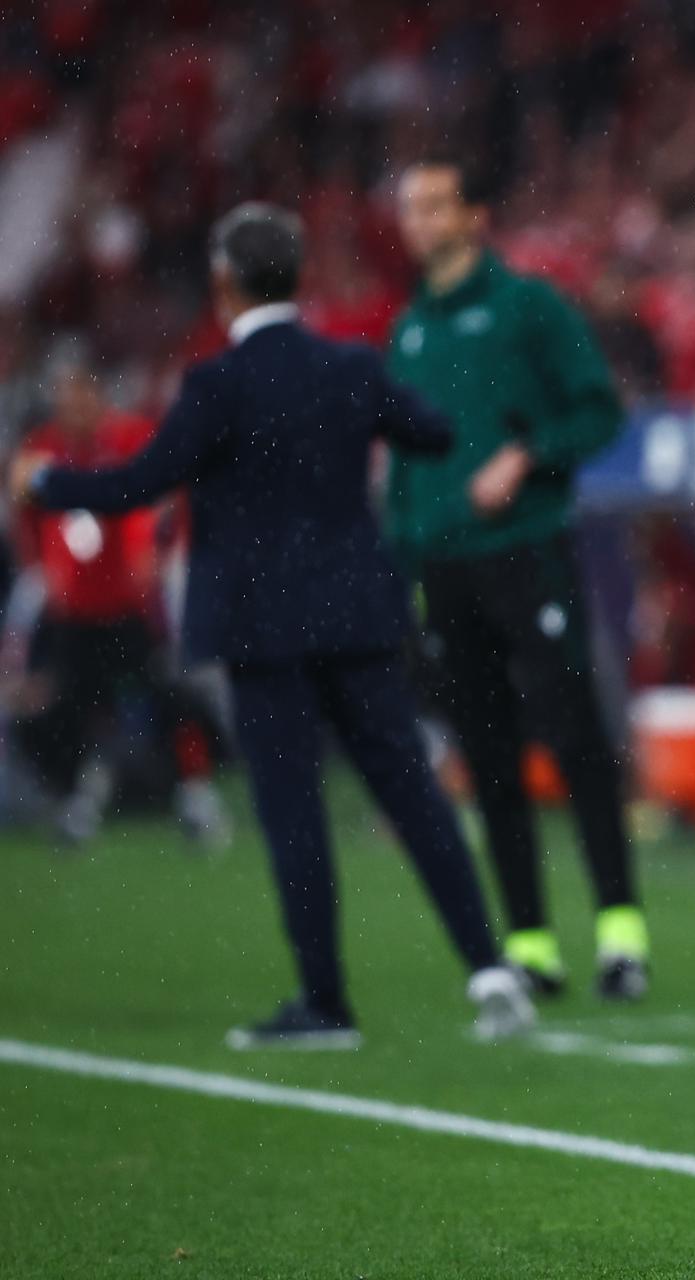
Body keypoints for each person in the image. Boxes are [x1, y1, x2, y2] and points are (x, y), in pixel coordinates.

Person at [13, 203, 534, 1050]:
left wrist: (46, 485)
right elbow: (434, 433)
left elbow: (137, 483)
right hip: (357, 614)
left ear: (224, 283)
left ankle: (325, 1004)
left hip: (262, 627)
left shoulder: (216, 384)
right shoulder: (349, 366)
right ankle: (489, 967)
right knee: (411, 792)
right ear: (296, 277)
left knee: (295, 813)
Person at [387, 155, 649, 1002]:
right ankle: (530, 940)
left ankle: (620, 930)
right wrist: (400, 554)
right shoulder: (410, 328)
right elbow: (402, 463)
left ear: (476, 214)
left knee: (574, 737)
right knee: (488, 756)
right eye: (410, 208)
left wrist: (527, 454)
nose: (420, 221)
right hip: (446, 566)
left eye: (435, 204)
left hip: (526, 550)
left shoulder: (529, 307)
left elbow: (598, 408)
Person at [11, 342, 229, 848]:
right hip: (76, 610)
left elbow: (170, 497)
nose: (75, 405)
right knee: (75, 708)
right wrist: (42, 566)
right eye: (66, 395)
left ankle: (195, 796)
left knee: (171, 696)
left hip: (135, 605)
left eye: (82, 392)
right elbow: (25, 515)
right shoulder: (43, 450)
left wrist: (157, 548)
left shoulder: (130, 438)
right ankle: (81, 803)